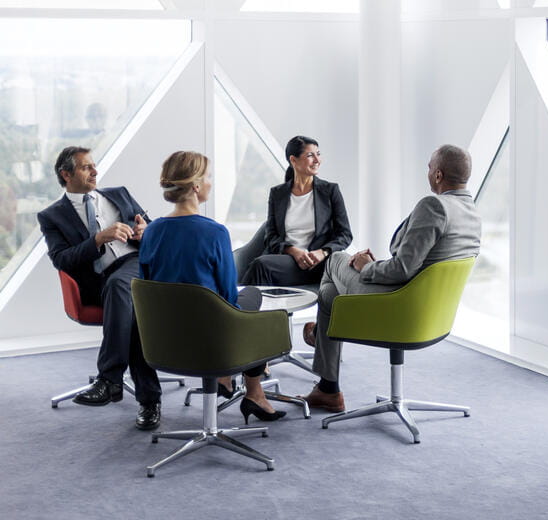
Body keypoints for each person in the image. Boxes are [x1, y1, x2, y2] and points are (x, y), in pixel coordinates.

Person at [299, 144, 482, 412]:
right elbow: (425, 267)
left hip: (397, 306)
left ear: (439, 175)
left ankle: (322, 344)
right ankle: (327, 387)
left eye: (430, 167)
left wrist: (366, 267)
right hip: (430, 313)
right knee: (329, 296)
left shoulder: (434, 206)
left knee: (336, 258)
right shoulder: (472, 212)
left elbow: (402, 270)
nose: (428, 171)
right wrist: (377, 264)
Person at [138, 151, 285, 424]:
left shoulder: (152, 231)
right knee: (252, 297)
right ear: (195, 186)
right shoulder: (214, 233)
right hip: (212, 342)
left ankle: (232, 384)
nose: (210, 182)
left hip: (163, 343)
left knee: (240, 304)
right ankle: (247, 388)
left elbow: (149, 292)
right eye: (208, 177)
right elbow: (229, 299)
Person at [37, 146, 161, 430]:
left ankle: (109, 380)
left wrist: (145, 231)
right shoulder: (52, 216)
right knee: (129, 311)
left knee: (121, 287)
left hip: (138, 265)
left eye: (94, 165)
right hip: (101, 280)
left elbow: (153, 229)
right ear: (66, 174)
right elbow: (61, 259)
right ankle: (149, 400)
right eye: (85, 167)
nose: (94, 171)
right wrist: (97, 240)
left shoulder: (119, 194)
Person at [241, 135, 352, 287]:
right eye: (310, 155)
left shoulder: (330, 191)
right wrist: (293, 251)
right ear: (293, 160)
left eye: (318, 154)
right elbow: (271, 236)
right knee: (261, 265)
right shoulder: (277, 194)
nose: (317, 160)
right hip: (286, 260)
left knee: (260, 266)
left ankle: (237, 307)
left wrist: (323, 252)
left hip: (317, 263)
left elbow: (345, 235)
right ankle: (253, 307)